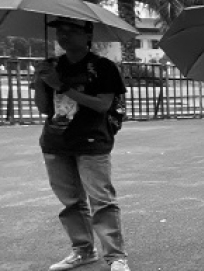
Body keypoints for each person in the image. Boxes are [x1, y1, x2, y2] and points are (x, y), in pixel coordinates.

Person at [32, 17, 130, 271]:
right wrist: (40, 82)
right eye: (60, 31)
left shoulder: (102, 67)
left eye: (71, 31)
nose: (64, 36)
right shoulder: (53, 66)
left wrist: (61, 85)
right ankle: (83, 250)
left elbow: (102, 105)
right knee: (71, 201)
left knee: (102, 201)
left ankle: (116, 256)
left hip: (92, 140)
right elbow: (45, 108)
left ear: (88, 36)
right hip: (55, 140)